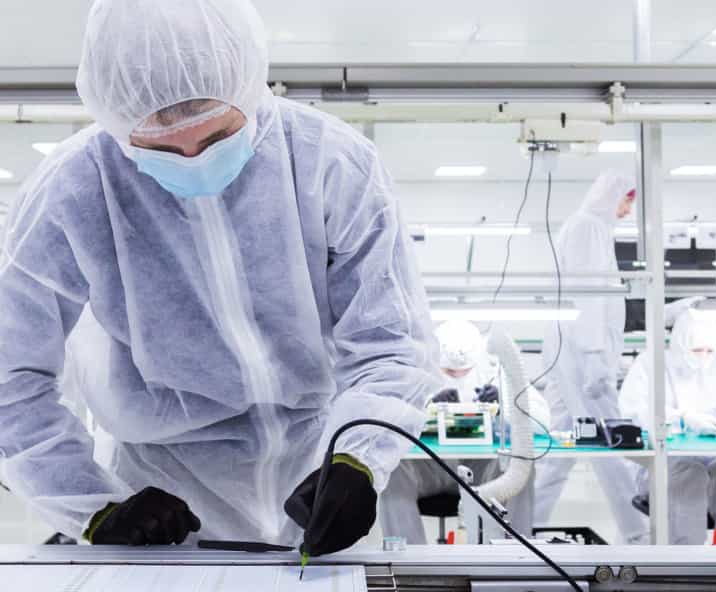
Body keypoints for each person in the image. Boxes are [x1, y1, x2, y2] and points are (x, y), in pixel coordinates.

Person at [0, 0, 439, 555]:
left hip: (317, 485)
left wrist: (358, 456)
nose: (191, 161)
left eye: (215, 138)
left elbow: (392, 343)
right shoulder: (72, 192)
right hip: (157, 507)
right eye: (159, 147)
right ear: (114, 125)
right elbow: (10, 378)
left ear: (253, 90)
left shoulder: (330, 163)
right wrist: (96, 506)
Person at [532, 172, 650, 544]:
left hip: (576, 352)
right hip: (583, 357)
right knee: (613, 444)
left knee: (559, 453)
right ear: (610, 195)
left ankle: (520, 528)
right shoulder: (588, 227)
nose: (629, 209)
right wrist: (596, 354)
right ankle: (638, 533)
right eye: (627, 200)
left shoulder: (590, 227)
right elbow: (589, 293)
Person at [380, 320, 548, 544]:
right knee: (392, 470)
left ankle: (516, 551)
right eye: (449, 371)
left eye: (464, 371)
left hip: (480, 468)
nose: (457, 376)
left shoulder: (494, 369)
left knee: (521, 470)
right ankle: (408, 558)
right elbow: (387, 420)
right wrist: (426, 410)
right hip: (431, 469)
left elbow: (542, 420)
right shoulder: (417, 370)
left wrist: (504, 404)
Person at [619, 309, 716, 544]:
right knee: (690, 475)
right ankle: (686, 560)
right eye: (697, 350)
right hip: (666, 462)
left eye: (710, 351)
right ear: (680, 342)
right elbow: (636, 412)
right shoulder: (652, 363)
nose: (704, 357)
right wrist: (682, 419)